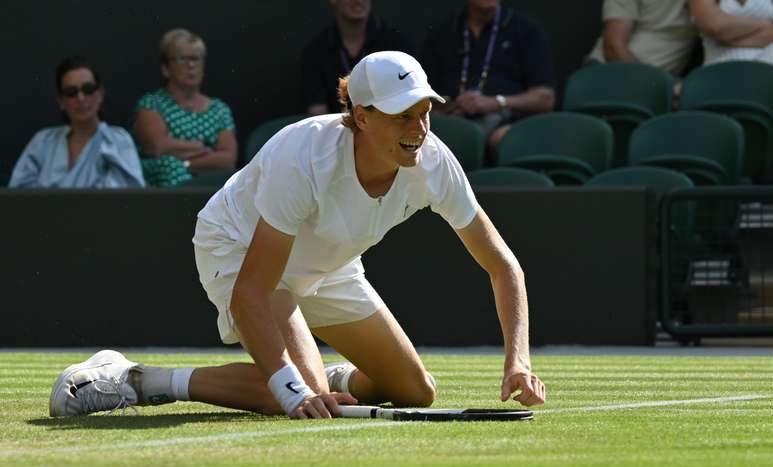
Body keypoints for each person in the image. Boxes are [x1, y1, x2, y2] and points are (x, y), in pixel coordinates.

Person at [49, 51, 546, 421]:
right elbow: (252, 293)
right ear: (362, 115)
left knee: (415, 390)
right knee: (293, 395)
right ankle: (138, 380)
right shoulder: (305, 156)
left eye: (424, 111)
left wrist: (517, 362)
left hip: (329, 264)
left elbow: (503, 266)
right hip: (240, 247)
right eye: (403, 115)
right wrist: (291, 387)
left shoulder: (433, 162)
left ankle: (317, 375)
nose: (418, 128)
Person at [689, 0, 773, 170]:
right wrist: (766, 25)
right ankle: (770, 175)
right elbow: (716, 26)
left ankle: (771, 171)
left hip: (767, 59)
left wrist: (737, 38)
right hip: (722, 65)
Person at [419, 0, 555, 159]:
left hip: (506, 121)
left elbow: (545, 98)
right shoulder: (443, 31)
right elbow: (422, 95)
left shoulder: (525, 29)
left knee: (505, 139)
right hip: (452, 120)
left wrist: (496, 102)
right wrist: (447, 106)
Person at [9, 57, 144, 188]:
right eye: (71, 92)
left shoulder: (117, 140)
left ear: (100, 94)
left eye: (88, 89)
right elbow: (18, 196)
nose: (81, 98)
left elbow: (127, 199)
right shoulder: (42, 141)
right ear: (61, 101)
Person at [133, 28, 237, 187]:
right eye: (182, 59)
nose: (191, 65)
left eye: (196, 58)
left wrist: (186, 165)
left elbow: (228, 159)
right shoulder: (151, 104)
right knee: (168, 165)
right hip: (159, 190)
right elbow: (156, 146)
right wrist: (201, 148)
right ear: (165, 68)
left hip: (208, 187)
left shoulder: (219, 109)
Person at [301, 0, 414, 116]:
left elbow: (408, 105)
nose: (358, 1)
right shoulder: (316, 51)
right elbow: (318, 113)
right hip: (335, 130)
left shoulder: (396, 45)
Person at [585, 0, 700, 77]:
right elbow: (612, 48)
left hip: (657, 87)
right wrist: (647, 80)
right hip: (607, 72)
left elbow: (715, 26)